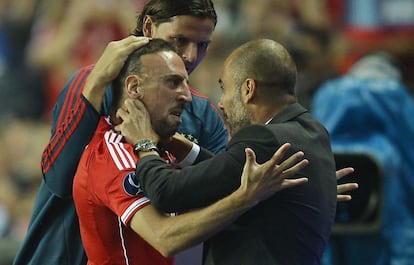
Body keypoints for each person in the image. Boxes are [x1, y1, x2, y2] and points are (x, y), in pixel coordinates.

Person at [13, 1, 227, 264]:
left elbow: (221, 196)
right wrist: (97, 82)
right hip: (65, 254)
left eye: (202, 45)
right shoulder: (92, 82)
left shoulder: (204, 114)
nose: (191, 55)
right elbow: (58, 180)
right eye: (179, 40)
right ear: (149, 27)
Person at [73, 38, 309, 265]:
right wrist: (246, 198)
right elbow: (165, 238)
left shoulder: (159, 149)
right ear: (134, 87)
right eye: (173, 83)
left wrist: (302, 187)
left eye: (186, 84)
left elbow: (220, 180)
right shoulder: (113, 153)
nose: (186, 96)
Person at [312, 51, 414, 265]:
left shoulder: (328, 95)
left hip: (331, 217)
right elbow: (409, 159)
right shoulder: (396, 97)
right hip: (387, 221)